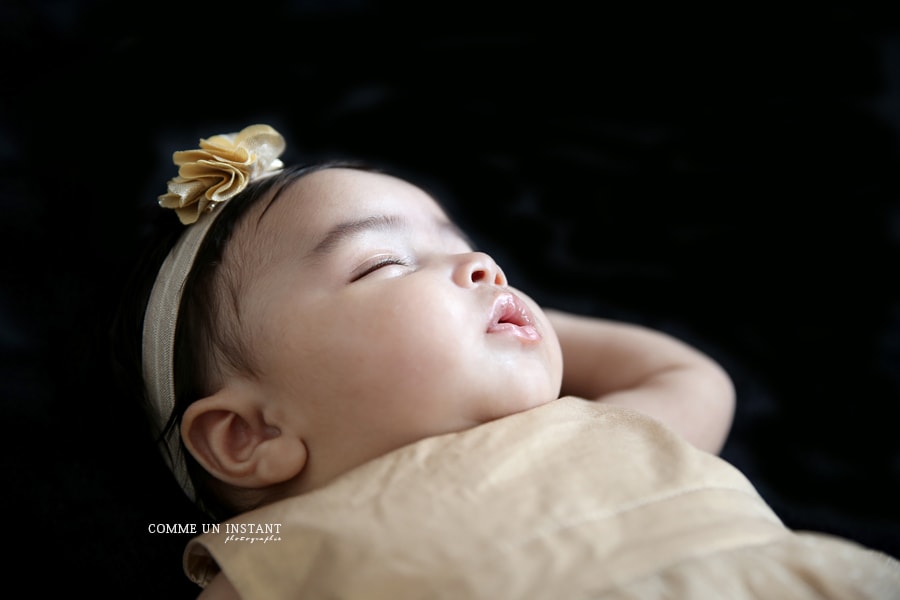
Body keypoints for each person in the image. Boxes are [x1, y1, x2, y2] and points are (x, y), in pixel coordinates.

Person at [117, 124, 900, 599]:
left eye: (462, 246)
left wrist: (498, 310)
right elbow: (164, 529)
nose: (484, 263)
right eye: (383, 264)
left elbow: (693, 380)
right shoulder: (278, 549)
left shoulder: (598, 431)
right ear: (248, 437)